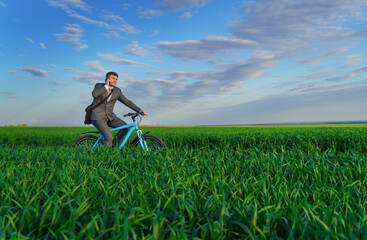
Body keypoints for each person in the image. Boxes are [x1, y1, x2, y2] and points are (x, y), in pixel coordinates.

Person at [90, 71, 146, 147]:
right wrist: (106, 86)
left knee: (125, 128)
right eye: (113, 78)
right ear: (107, 78)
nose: (115, 80)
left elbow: (127, 102)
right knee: (108, 137)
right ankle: (104, 155)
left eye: (116, 79)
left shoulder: (117, 91)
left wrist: (139, 110)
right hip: (97, 117)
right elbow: (95, 94)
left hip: (110, 117)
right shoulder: (99, 86)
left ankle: (113, 147)